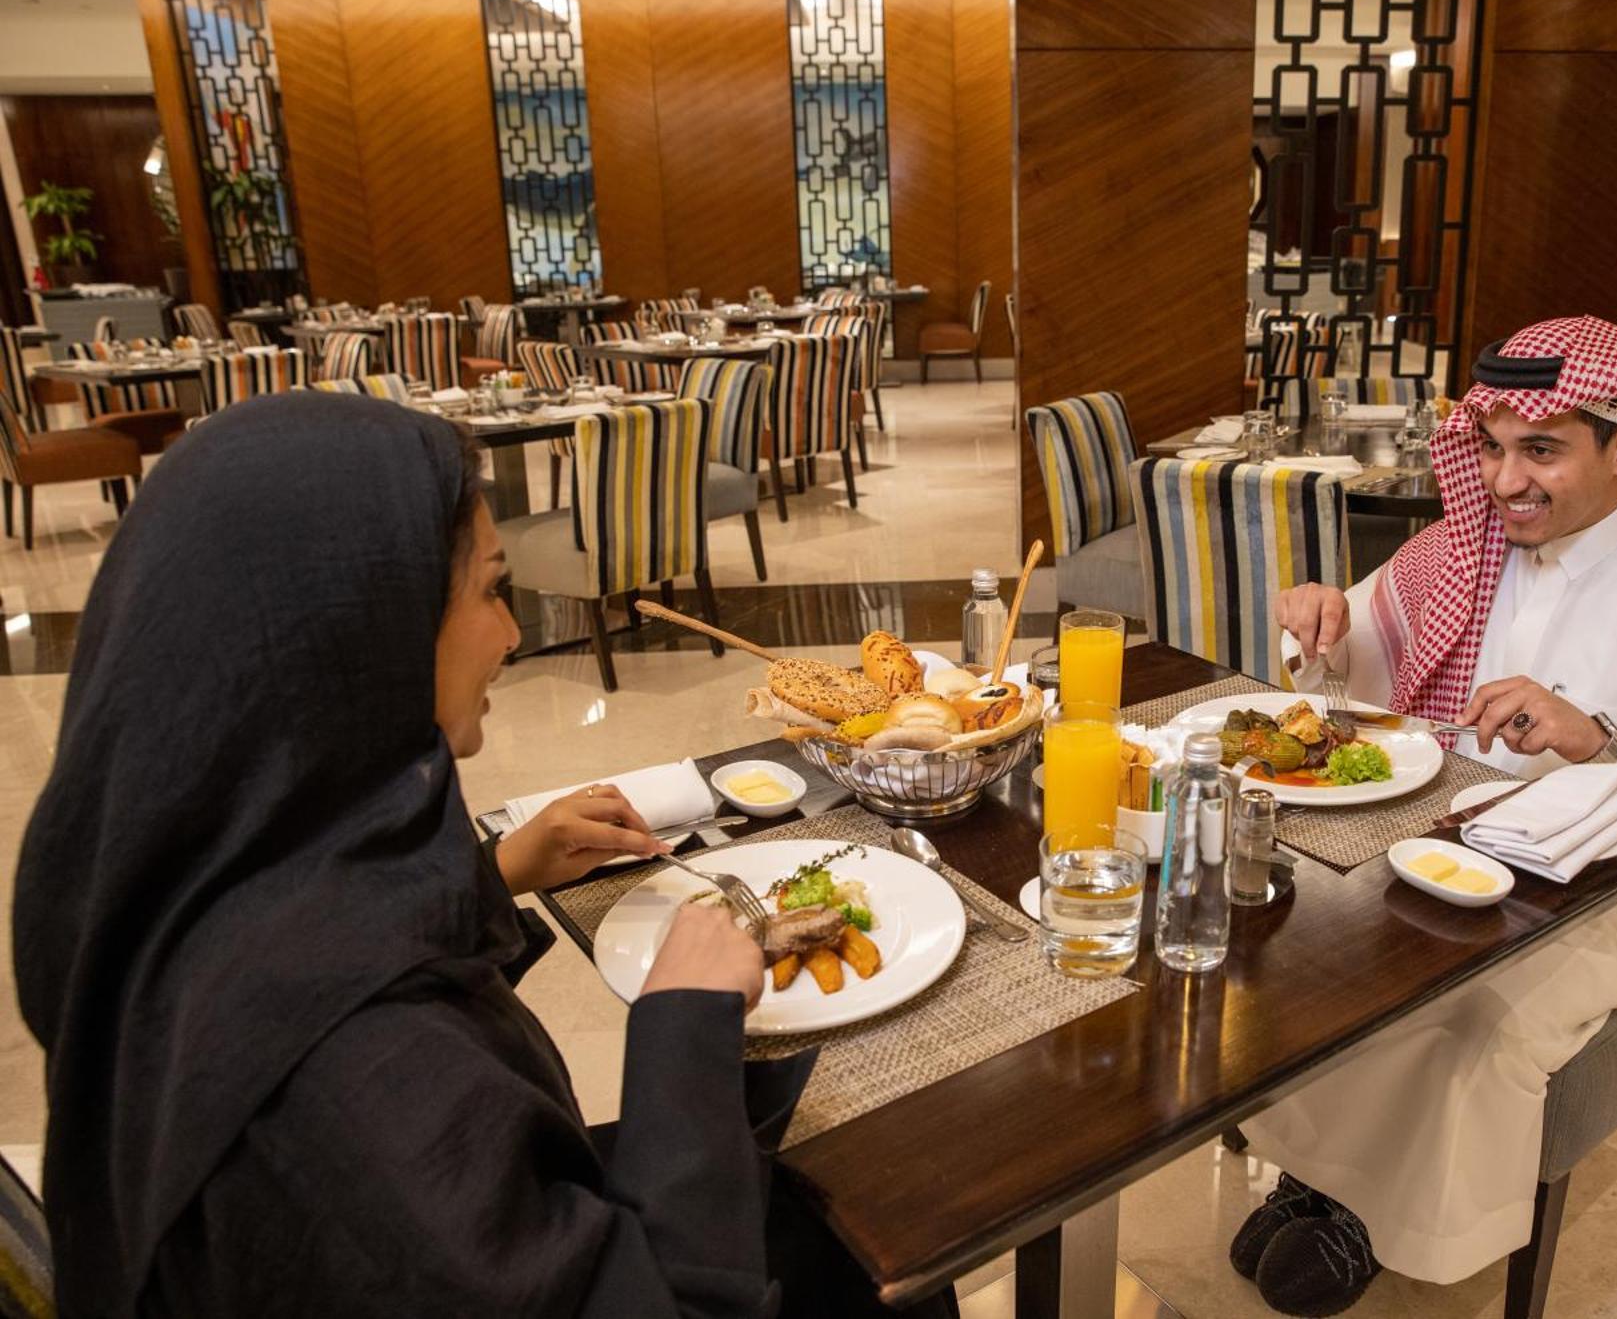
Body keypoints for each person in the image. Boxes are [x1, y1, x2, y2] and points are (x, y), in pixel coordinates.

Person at [13, 392, 951, 1317]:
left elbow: (334, 936)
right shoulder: (356, 1091)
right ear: (356, 627)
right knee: (895, 1225)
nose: (510, 635)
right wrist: (681, 1021)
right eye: (492, 590)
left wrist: (492, 872)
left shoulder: (182, 892)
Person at [1233, 317, 1617, 1315]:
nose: (1503, 480)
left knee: (1463, 1020)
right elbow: (1353, 674)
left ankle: (1370, 1216)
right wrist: (1320, 625)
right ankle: (1314, 1164)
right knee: (1306, 931)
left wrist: (1592, 745)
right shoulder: (1458, 549)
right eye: (1490, 445)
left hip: (1601, 901)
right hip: (1436, 847)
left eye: (1541, 451)